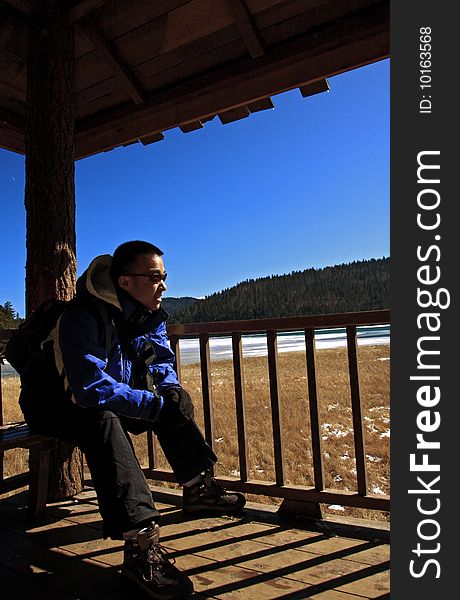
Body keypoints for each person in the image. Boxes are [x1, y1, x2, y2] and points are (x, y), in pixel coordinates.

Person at [21, 240, 246, 599]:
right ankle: (140, 547)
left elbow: (160, 361)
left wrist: (169, 391)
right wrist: (155, 405)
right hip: (55, 406)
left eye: (164, 276)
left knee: (169, 403)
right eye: (155, 277)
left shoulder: (147, 315)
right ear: (125, 281)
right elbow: (88, 390)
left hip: (100, 398)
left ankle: (198, 488)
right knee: (104, 422)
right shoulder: (82, 317)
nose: (164, 285)